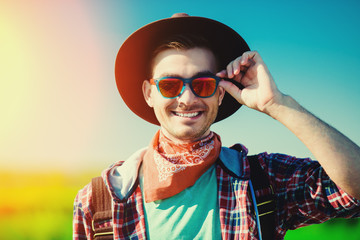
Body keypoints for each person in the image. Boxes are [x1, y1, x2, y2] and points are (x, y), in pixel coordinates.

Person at [73, 13, 360, 240]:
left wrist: (277, 103)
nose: (187, 98)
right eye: (170, 85)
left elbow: (354, 190)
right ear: (149, 93)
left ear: (220, 93)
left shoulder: (263, 181)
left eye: (203, 84)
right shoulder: (99, 202)